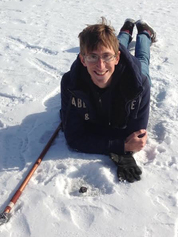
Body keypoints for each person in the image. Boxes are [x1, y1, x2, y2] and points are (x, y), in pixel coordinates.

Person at [60, 18, 156, 183]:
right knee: (109, 45)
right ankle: (125, 31)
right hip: (114, 57)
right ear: (83, 59)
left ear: (117, 59)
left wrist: (97, 138)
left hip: (132, 72)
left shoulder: (139, 84)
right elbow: (74, 137)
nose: (100, 65)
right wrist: (121, 147)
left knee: (142, 60)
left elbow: (134, 136)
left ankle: (144, 33)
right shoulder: (70, 83)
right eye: (92, 57)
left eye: (106, 57)